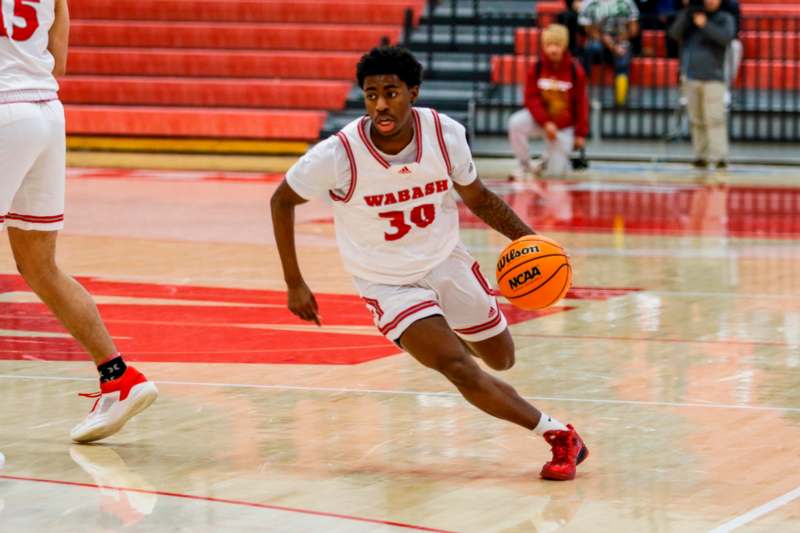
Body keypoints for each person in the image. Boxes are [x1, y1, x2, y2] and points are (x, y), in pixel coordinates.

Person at [271, 46, 589, 481]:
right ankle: (558, 435)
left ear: (413, 92)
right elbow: (281, 199)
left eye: (391, 92)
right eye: (371, 95)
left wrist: (533, 242)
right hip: (388, 284)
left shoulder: (445, 134)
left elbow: (478, 198)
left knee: (502, 359)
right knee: (459, 367)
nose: (381, 104)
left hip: (446, 262)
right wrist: (295, 282)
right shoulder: (338, 154)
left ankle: (448, 328)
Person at [0, 0, 157, 442]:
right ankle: (119, 378)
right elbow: (61, 60)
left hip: (4, 110)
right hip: (46, 111)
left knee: (39, 266)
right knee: (39, 265)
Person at [508, 25, 589, 181]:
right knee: (516, 123)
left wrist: (580, 134)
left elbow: (582, 103)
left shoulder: (575, 70)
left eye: (557, 45)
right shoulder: (537, 67)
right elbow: (531, 98)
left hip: (564, 127)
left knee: (555, 176)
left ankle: (545, 162)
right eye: (549, 45)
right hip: (542, 121)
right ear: (543, 46)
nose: (553, 49)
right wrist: (545, 122)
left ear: (564, 46)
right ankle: (524, 164)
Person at [669, 0, 735, 168]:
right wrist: (686, 11)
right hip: (691, 76)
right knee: (696, 118)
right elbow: (674, 34)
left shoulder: (724, 18)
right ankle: (700, 156)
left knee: (715, 119)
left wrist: (705, 25)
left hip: (714, 77)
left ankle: (720, 157)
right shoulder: (690, 17)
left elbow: (725, 38)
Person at [578, 0, 640, 105]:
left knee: (623, 56)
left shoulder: (627, 3)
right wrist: (612, 45)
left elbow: (634, 29)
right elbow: (590, 30)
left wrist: (620, 40)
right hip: (598, 41)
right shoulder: (589, 3)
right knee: (591, 49)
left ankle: (620, 100)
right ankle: (583, 94)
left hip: (620, 40)